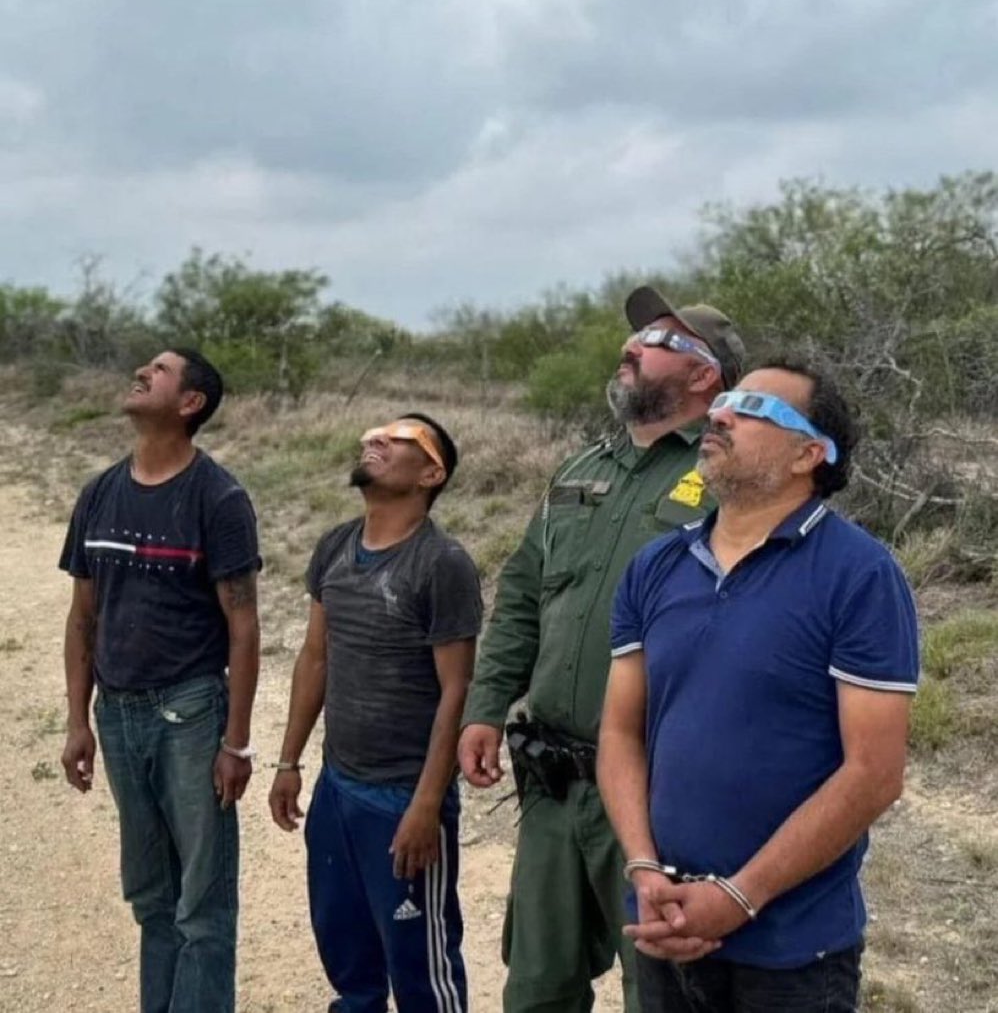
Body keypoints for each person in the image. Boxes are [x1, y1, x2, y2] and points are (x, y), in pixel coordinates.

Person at [598, 359, 919, 1012]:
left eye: (755, 410)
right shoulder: (656, 565)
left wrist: (741, 895)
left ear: (810, 453)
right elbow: (620, 730)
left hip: (792, 949)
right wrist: (641, 866)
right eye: (726, 402)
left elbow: (875, 773)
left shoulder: (860, 575)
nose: (720, 414)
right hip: (667, 920)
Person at [458, 287, 746, 1013]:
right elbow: (525, 592)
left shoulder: (730, 476)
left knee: (660, 989)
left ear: (705, 374)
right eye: (638, 333)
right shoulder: (585, 465)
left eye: (660, 339)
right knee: (536, 986)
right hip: (553, 782)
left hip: (657, 790)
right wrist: (488, 706)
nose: (635, 344)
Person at [59, 348, 262, 1013]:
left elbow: (244, 625)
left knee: (201, 902)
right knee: (152, 897)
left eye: (160, 370)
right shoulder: (99, 493)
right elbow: (83, 615)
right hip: (117, 715)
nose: (142, 372)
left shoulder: (219, 497)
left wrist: (235, 743)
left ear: (189, 403)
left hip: (191, 711)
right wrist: (77, 719)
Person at [269, 413, 483, 1013]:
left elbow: (456, 691)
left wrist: (424, 806)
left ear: (430, 473)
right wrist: (290, 761)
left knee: (423, 971)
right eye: (372, 433)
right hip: (339, 788)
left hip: (403, 796)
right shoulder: (335, 545)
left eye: (398, 439)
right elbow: (315, 657)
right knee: (348, 957)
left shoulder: (442, 563)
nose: (373, 439)